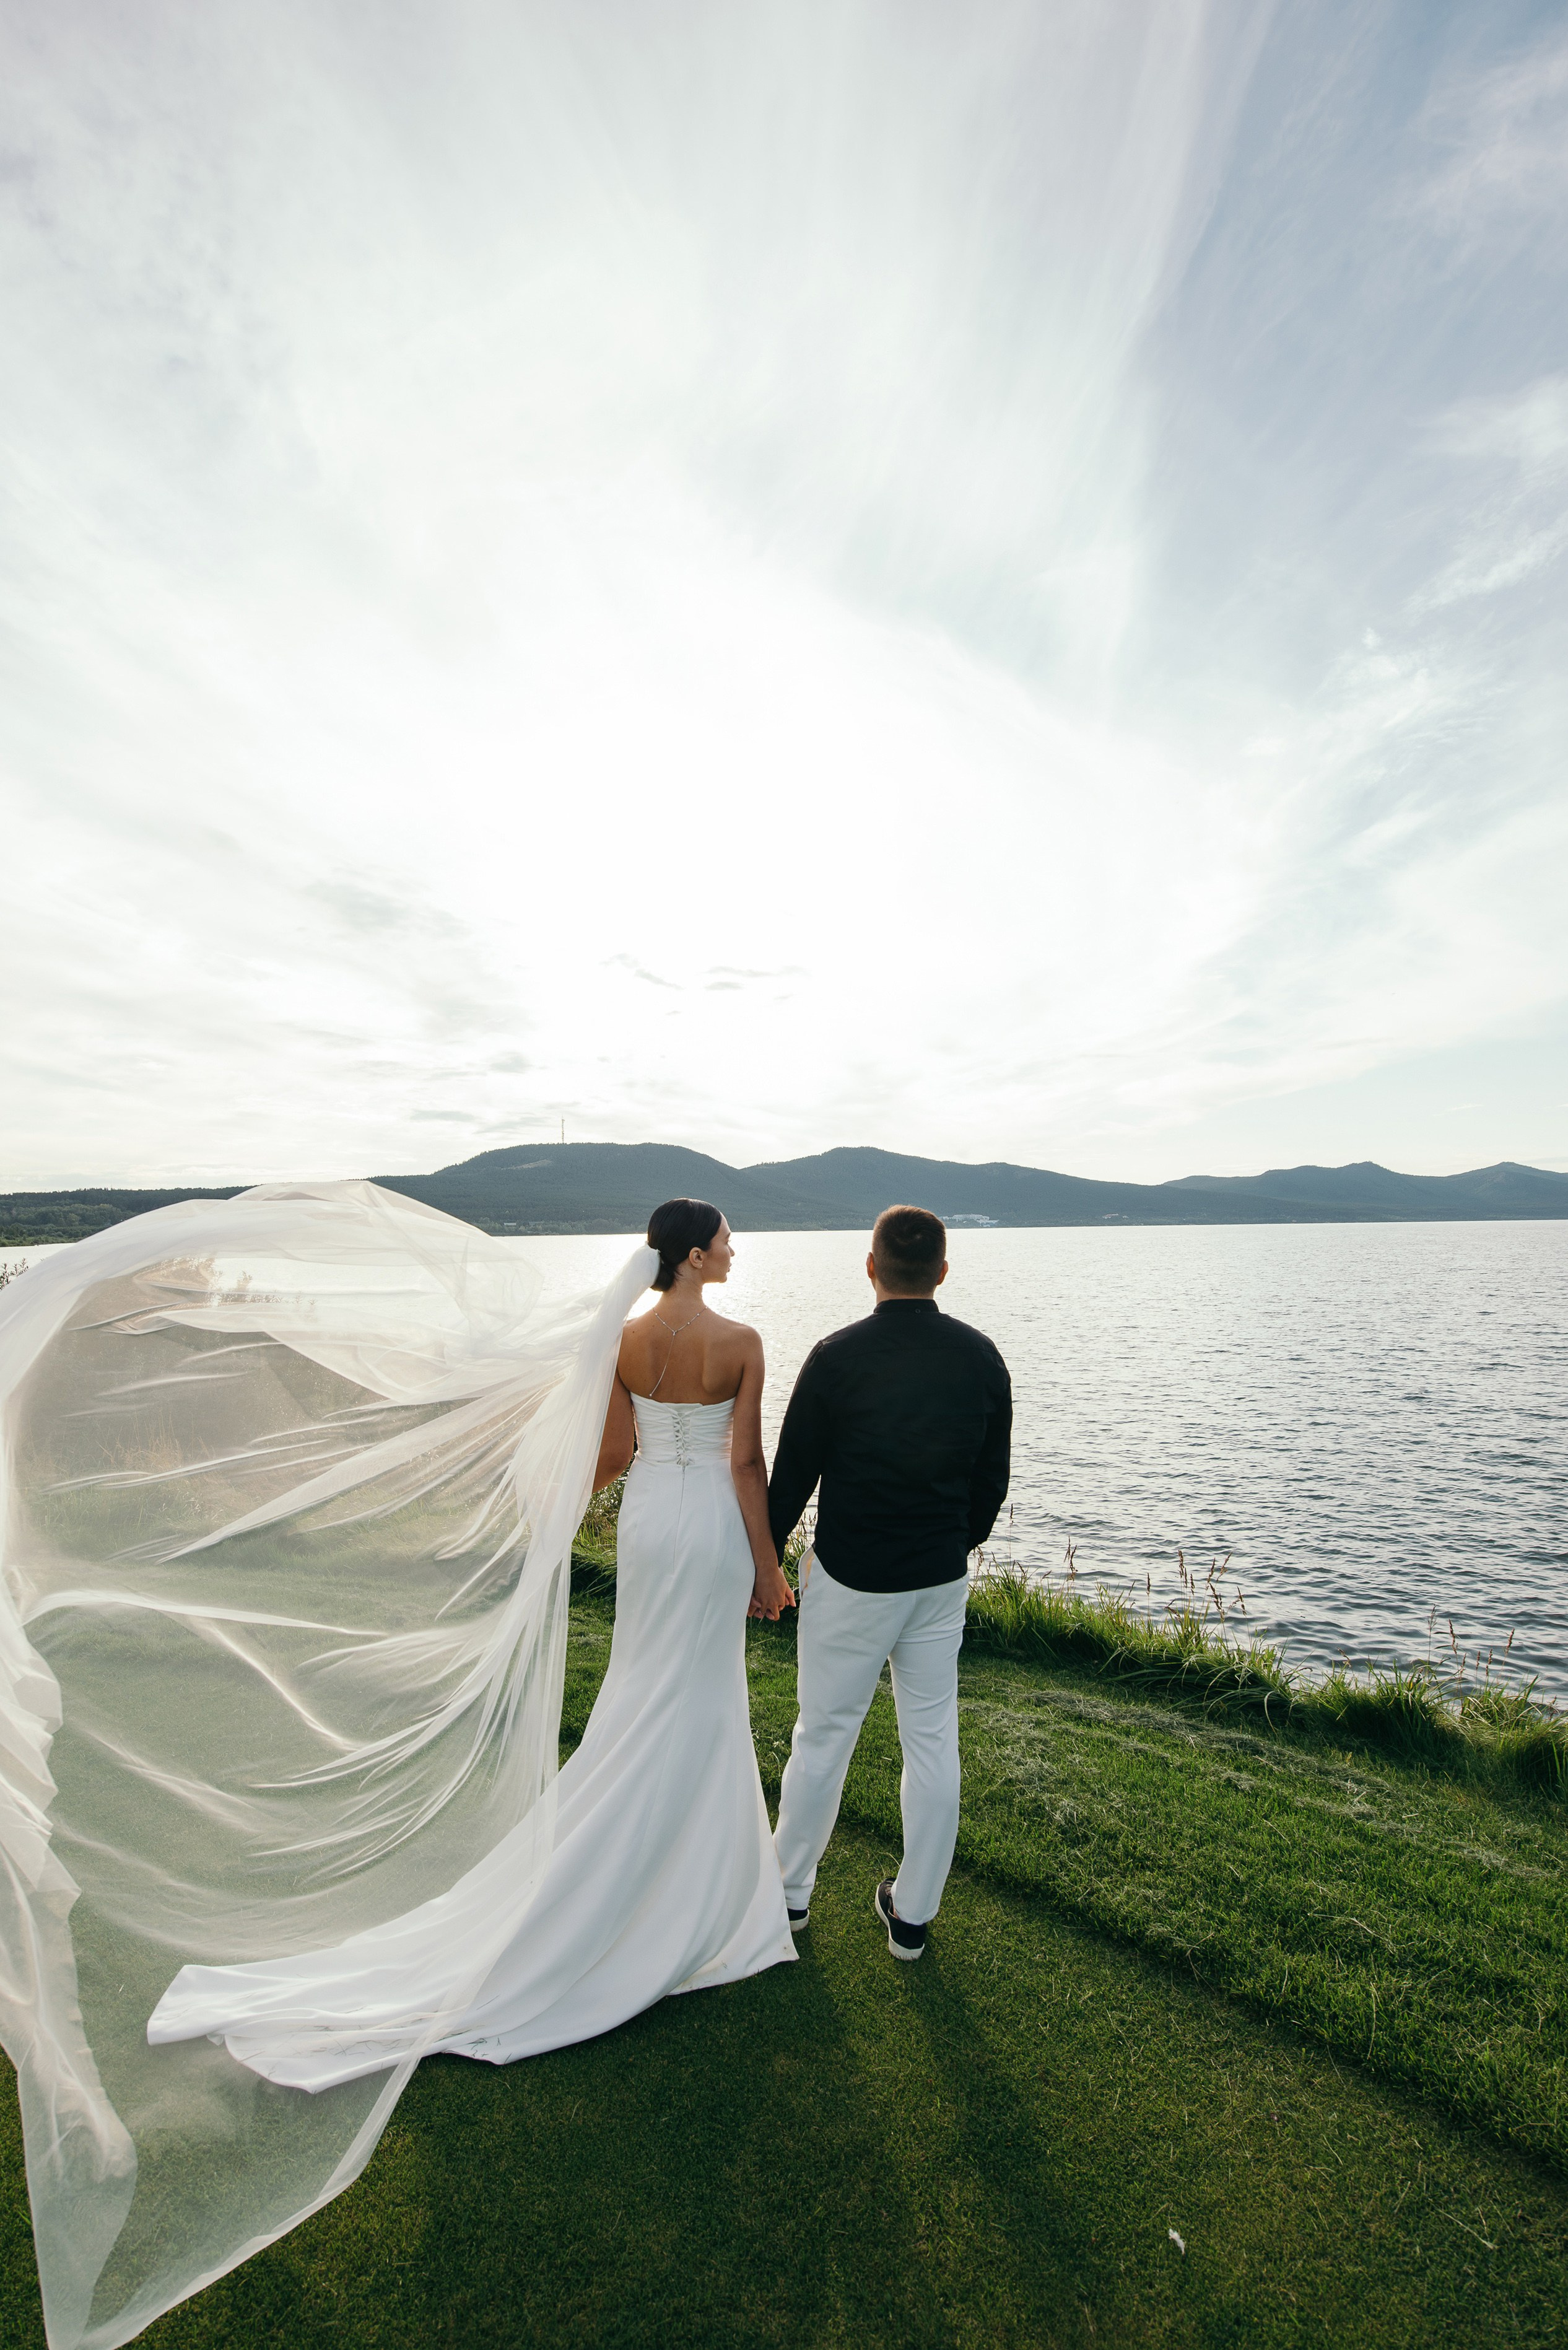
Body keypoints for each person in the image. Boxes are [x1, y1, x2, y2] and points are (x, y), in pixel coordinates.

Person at [0, 1182, 793, 2350]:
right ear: (698, 1247)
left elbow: (615, 1450)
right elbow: (744, 1464)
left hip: (648, 1532)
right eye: (725, 1231)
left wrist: (555, 1534)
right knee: (695, 1699)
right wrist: (770, 1571)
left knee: (640, 1700)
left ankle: (680, 1880)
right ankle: (704, 1898)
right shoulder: (743, 1339)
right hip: (713, 1534)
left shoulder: (625, 1338)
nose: (734, 1245)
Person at [768, 1204, 1012, 1960]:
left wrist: (767, 1562)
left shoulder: (835, 1356)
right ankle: (912, 1916)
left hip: (849, 1577)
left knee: (824, 1733)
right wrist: (951, 1544)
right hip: (938, 1580)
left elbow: (791, 1479)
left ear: (871, 1267)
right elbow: (991, 1485)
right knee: (933, 1740)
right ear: (941, 1270)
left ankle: (788, 1896)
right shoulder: (982, 1357)